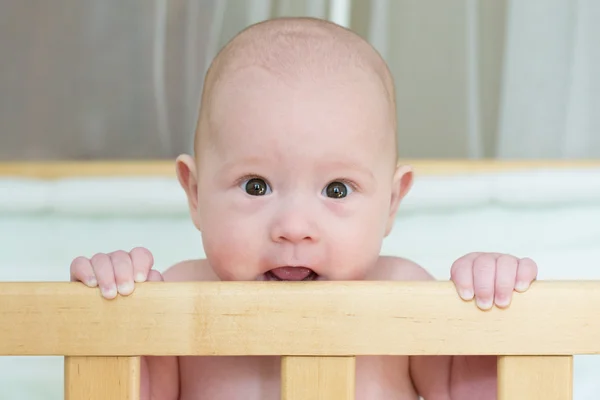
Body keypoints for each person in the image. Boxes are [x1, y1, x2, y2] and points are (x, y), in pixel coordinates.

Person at [70, 17, 538, 399]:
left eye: (337, 190)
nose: (293, 228)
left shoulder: (404, 297)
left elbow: (473, 391)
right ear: (195, 193)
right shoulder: (172, 300)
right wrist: (117, 314)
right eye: (256, 186)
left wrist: (486, 317)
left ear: (392, 202)